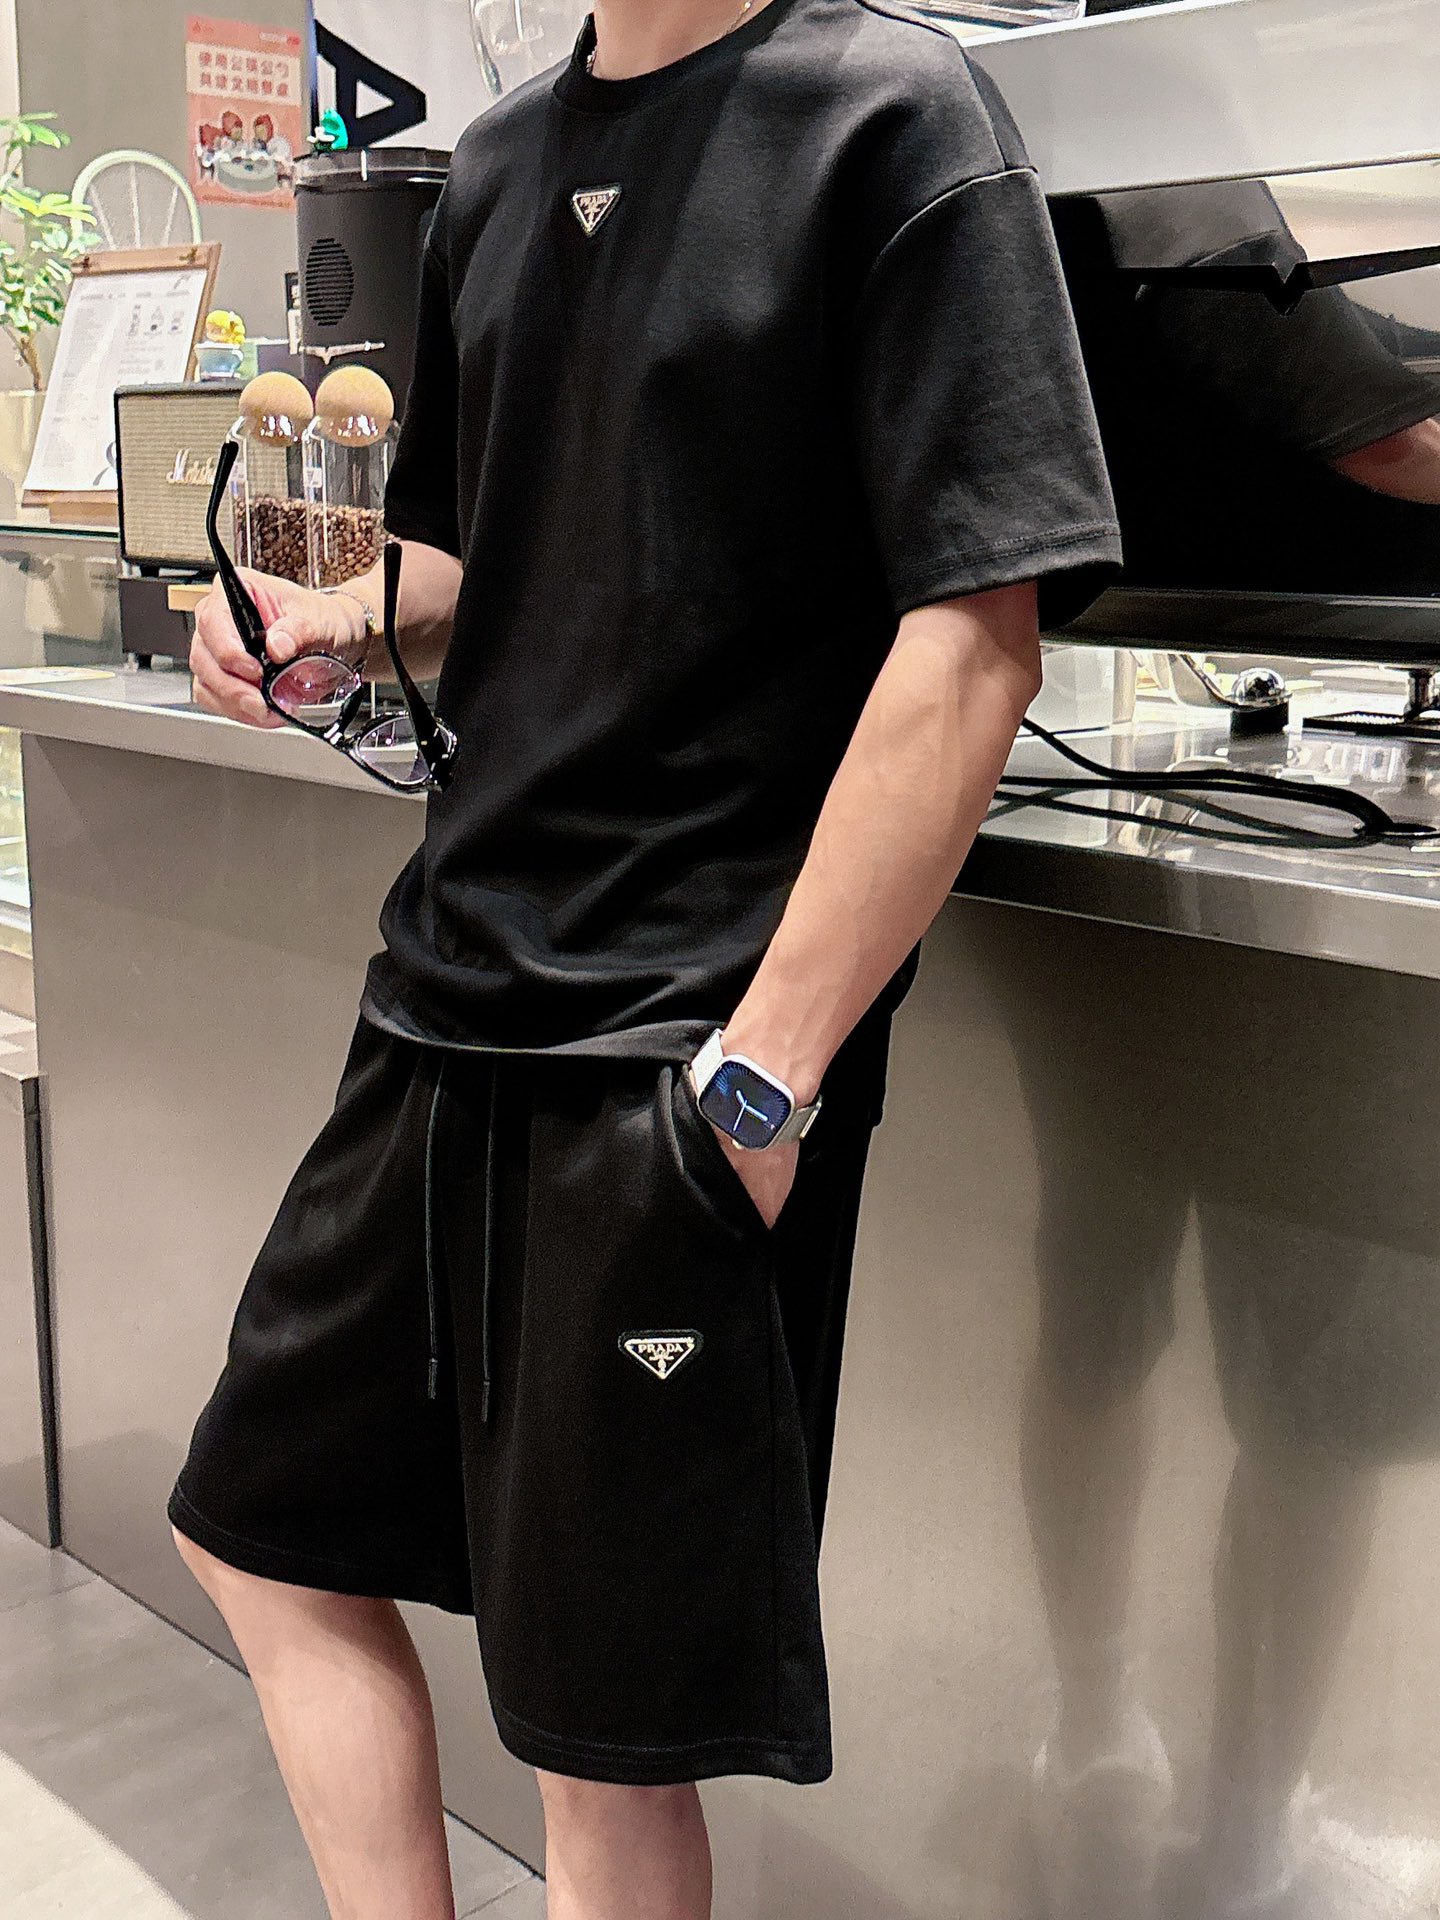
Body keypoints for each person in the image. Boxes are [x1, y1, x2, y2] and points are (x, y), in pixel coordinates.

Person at [169, 1, 1120, 1915]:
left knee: (600, 1738)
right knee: (257, 1532)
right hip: (444, 990)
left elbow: (974, 642)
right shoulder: (499, 163)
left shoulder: (895, 117)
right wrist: (335, 610)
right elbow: (477, 561)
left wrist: (760, 1086)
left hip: (674, 1049)